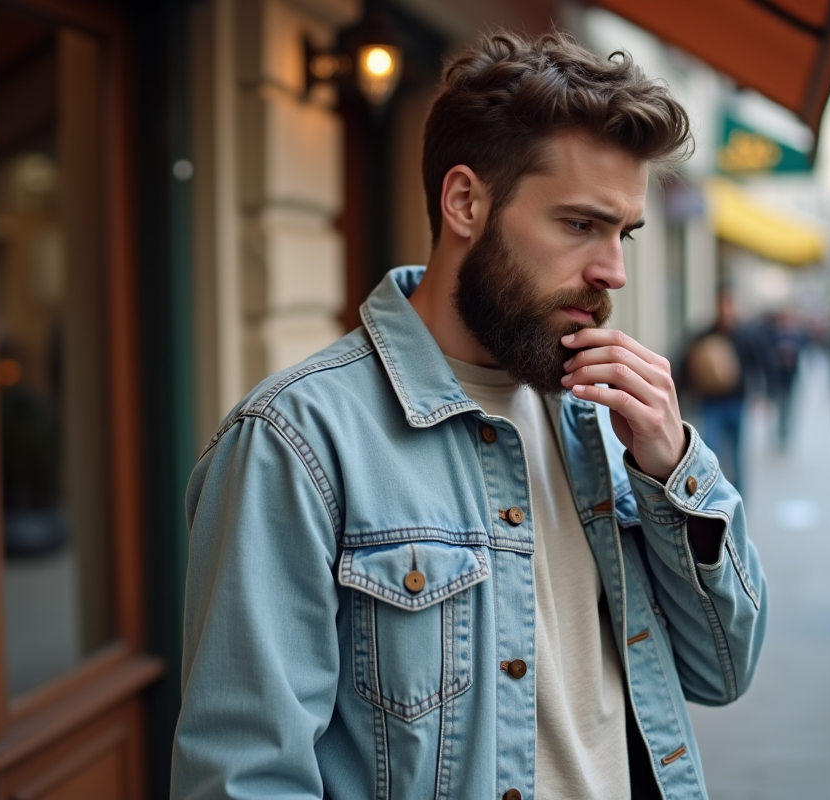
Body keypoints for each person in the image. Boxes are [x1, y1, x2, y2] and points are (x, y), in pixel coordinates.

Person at [173, 31, 767, 800]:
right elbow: (244, 781)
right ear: (465, 202)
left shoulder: (602, 418)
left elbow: (721, 671)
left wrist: (673, 467)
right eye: (581, 224)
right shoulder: (296, 442)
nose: (612, 270)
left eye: (624, 232)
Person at [683, 289, 769, 497]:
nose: (726, 310)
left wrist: (763, 394)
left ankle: (738, 499)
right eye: (722, 304)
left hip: (737, 402)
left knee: (738, 454)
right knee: (710, 450)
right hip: (711, 403)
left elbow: (759, 363)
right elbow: (687, 363)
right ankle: (709, 495)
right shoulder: (705, 335)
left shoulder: (745, 335)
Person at [764, 307, 806, 452]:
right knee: (776, 406)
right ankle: (776, 433)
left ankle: (784, 434)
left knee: (787, 407)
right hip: (776, 378)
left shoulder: (797, 335)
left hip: (790, 378)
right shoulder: (773, 335)